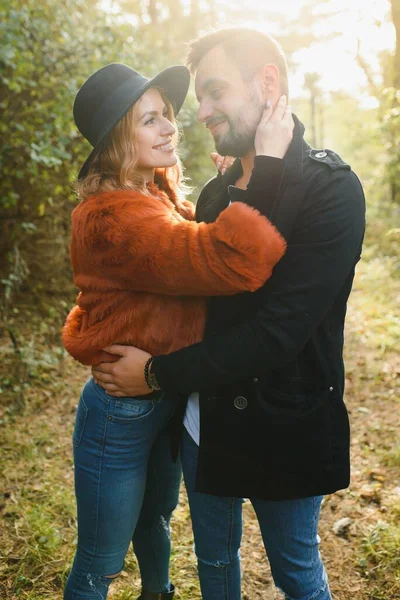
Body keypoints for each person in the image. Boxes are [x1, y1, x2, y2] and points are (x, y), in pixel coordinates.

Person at [92, 29, 366, 600]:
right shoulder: (217, 196)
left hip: (285, 424)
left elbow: (277, 332)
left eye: (215, 93)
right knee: (216, 564)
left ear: (267, 83)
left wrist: (157, 374)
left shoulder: (331, 189)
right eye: (200, 102)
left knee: (296, 570)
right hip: (205, 423)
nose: (203, 113)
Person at [63, 60, 292, 600]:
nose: (170, 127)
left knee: (156, 519)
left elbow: (185, 242)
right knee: (101, 558)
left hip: (161, 388)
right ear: (117, 140)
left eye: (166, 115)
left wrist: (228, 182)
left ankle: (157, 592)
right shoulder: (117, 216)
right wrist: (268, 169)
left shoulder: (151, 196)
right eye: (149, 121)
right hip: (122, 410)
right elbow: (232, 259)